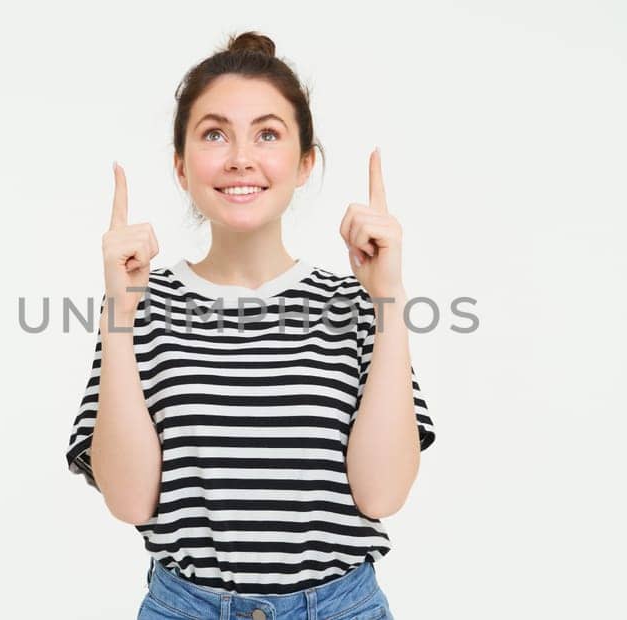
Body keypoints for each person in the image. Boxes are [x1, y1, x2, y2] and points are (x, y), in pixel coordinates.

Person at [64, 31, 437, 620]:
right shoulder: (141, 303)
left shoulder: (358, 302)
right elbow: (132, 501)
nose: (241, 157)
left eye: (267, 134)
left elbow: (383, 493)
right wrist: (119, 315)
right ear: (182, 166)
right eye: (215, 134)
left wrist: (388, 296)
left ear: (305, 160)